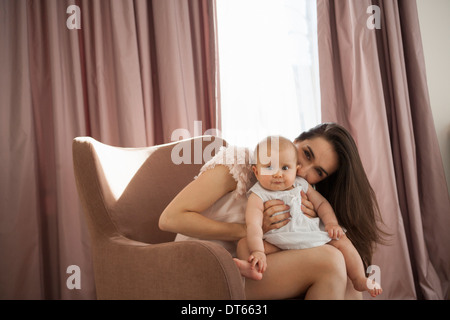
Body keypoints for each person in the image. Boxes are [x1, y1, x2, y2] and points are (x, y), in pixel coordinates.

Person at [159, 123, 386, 299]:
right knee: (330, 260)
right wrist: (248, 230)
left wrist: (313, 221)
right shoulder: (240, 164)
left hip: (256, 264)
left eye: (318, 171)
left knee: (347, 273)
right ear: (295, 141)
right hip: (205, 267)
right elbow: (169, 219)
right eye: (306, 154)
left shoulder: (302, 192)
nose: (303, 171)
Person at [233, 135, 382, 297]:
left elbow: (322, 204)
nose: (278, 174)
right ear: (256, 170)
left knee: (342, 241)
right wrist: (258, 251)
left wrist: (331, 223)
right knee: (248, 246)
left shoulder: (301, 185)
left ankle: (360, 277)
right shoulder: (258, 194)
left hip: (307, 236)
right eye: (269, 167)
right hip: (279, 239)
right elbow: (253, 225)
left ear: (294, 168)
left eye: (285, 168)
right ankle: (252, 267)